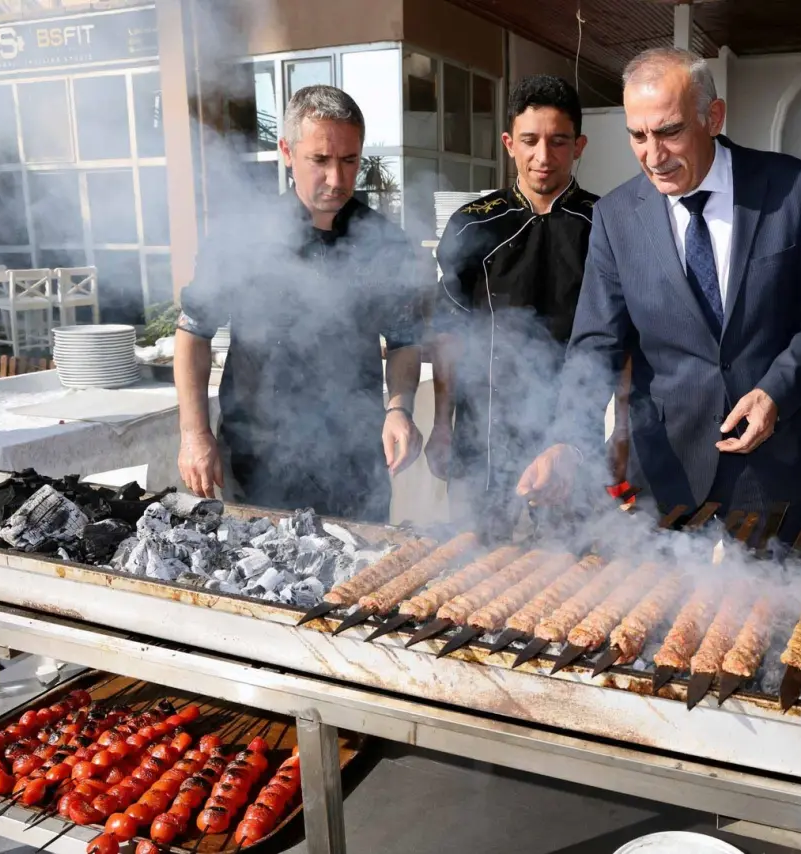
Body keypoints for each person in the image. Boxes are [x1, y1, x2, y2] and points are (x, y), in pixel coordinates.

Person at [516, 48, 801, 542]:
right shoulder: (615, 216)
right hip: (663, 472)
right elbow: (596, 344)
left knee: (767, 595)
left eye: (669, 131)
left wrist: (775, 392)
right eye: (638, 135)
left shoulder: (791, 187)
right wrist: (569, 438)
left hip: (769, 468)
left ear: (712, 117)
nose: (654, 156)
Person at [174, 85, 427, 521]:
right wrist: (194, 434)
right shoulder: (243, 236)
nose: (337, 179)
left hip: (354, 463)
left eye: (350, 160)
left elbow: (404, 340)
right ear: (287, 152)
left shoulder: (385, 242)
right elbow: (193, 331)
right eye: (320, 160)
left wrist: (399, 408)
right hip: (257, 459)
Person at [424, 75, 602, 535]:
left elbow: (617, 344)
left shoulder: (605, 224)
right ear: (508, 143)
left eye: (558, 141)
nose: (543, 156)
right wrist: (441, 425)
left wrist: (616, 440)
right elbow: (448, 334)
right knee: (470, 566)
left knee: (570, 568)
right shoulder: (471, 225)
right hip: (481, 437)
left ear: (578, 146)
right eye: (530, 140)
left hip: (569, 438)